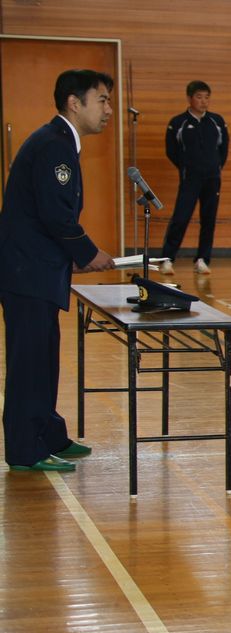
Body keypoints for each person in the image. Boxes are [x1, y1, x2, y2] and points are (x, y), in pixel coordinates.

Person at [0, 69, 115, 472]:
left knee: (44, 358)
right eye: (101, 99)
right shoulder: (54, 146)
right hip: (26, 273)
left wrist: (70, 260)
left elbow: (42, 217)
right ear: (74, 102)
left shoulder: (61, 142)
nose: (108, 109)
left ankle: (49, 435)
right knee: (29, 362)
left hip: (37, 269)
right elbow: (54, 216)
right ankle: (24, 451)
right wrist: (88, 253)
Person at [160, 80, 229, 276]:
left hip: (212, 178)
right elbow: (171, 151)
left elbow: (223, 149)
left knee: (209, 219)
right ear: (190, 98)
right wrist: (186, 167)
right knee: (180, 218)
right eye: (199, 97)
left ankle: (202, 259)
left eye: (207, 97)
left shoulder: (217, 121)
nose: (203, 101)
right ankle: (167, 259)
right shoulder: (178, 122)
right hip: (190, 178)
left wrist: (215, 166)